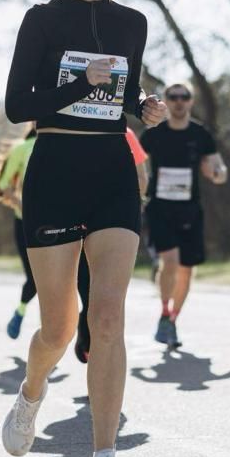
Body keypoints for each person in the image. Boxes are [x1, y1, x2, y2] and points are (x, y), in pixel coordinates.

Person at [0, 0, 165, 457]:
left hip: (111, 169)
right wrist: (77, 83)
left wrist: (142, 107)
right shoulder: (41, 20)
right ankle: (32, 389)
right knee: (57, 326)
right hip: (55, 169)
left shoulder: (131, 23)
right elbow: (18, 105)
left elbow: (122, 91)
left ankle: (104, 453)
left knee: (109, 316)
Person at [140, 83, 226, 350]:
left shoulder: (201, 134)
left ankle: (172, 321)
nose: (179, 101)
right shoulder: (154, 134)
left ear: (191, 101)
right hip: (160, 208)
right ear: (165, 101)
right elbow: (137, 164)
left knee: (187, 271)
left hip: (190, 210)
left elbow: (219, 167)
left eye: (184, 96)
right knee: (171, 262)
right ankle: (165, 312)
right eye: (173, 97)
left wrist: (217, 173)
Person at [73, 128, 148, 364]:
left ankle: (97, 360)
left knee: (102, 297)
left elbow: (142, 179)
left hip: (112, 225)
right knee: (94, 294)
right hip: (80, 225)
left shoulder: (125, 134)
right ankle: (86, 338)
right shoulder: (74, 126)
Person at [0, 123, 38, 340]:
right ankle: (20, 311)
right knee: (35, 278)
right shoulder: (22, 148)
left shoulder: (67, 144)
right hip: (25, 223)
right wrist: (22, 204)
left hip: (59, 224)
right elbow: (3, 185)